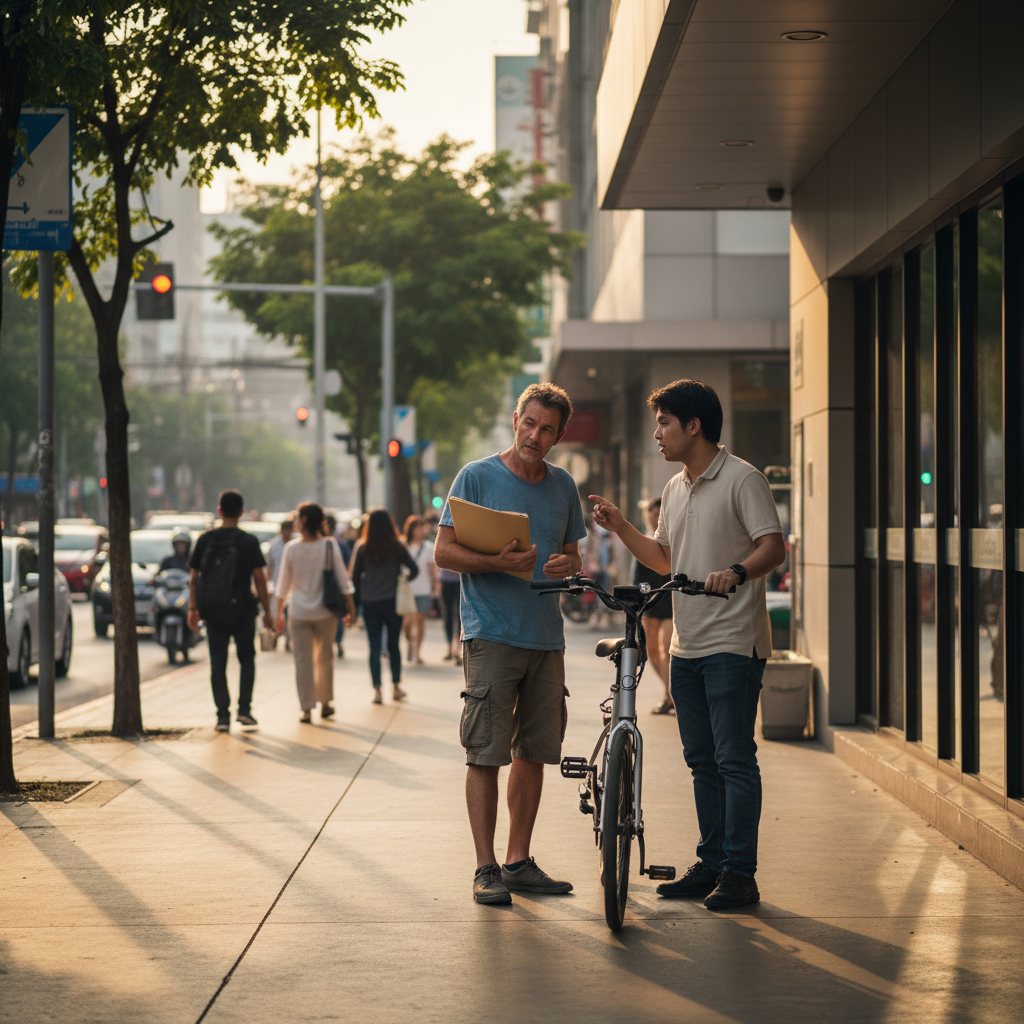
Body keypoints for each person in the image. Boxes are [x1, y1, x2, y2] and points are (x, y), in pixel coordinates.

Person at [589, 378, 785, 911]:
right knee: (701, 760)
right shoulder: (675, 489)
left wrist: (737, 571)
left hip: (733, 644)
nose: (657, 433)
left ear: (693, 425)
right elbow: (665, 561)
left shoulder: (743, 479)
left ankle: (741, 873)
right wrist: (622, 526)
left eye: (664, 422)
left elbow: (774, 546)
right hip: (686, 645)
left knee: (734, 760)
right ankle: (714, 862)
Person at [434, 382, 586, 906]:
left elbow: (573, 557)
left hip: (546, 637)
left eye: (547, 429)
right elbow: (444, 553)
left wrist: (571, 565)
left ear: (559, 436)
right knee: (485, 753)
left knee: (534, 753)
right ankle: (486, 867)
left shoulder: (563, 486)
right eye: (529, 423)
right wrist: (497, 563)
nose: (535, 435)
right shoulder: (476, 476)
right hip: (491, 633)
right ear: (515, 419)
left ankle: (518, 860)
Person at [188, 489, 273, 733]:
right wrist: (267, 611)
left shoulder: (206, 540)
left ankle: (222, 717)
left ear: (220, 511)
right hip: (243, 610)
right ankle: (244, 710)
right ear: (242, 512)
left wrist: (193, 608)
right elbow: (260, 578)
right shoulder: (248, 541)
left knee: (218, 663)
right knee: (247, 659)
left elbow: (193, 578)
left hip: (213, 611)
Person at [275, 502, 355, 723]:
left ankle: (306, 709)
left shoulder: (291, 548)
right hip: (325, 613)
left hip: (298, 612)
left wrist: (278, 614)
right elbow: (343, 579)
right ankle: (326, 703)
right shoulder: (329, 546)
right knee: (325, 657)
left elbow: (283, 586)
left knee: (302, 661)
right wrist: (351, 606)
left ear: (303, 521)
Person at [350, 509, 419, 704]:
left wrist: (355, 605)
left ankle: (377, 691)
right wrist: (402, 579)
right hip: (392, 602)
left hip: (370, 602)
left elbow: (355, 578)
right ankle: (396, 687)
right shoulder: (397, 546)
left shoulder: (362, 547)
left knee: (373, 646)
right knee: (393, 645)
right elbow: (414, 569)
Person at [633, 498, 674, 714]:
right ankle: (669, 693)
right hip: (649, 606)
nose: (655, 519)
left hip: (670, 603)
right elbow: (637, 578)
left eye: (659, 515)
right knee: (651, 652)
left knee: (666, 650)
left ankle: (670, 697)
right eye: (652, 515)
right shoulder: (644, 542)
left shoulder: (673, 542)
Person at [402, 514, 437, 665]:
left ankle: (417, 651)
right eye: (415, 528)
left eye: (419, 528)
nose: (418, 531)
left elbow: (432, 568)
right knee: (408, 622)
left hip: (423, 588)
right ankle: (410, 645)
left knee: (420, 620)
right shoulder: (404, 546)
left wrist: (435, 584)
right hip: (407, 589)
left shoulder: (428, 547)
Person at [266, 514, 295, 650]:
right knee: (276, 616)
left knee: (289, 616)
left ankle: (289, 642)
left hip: (293, 588)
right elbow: (269, 567)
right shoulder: (274, 545)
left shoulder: (296, 544)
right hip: (277, 586)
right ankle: (276, 638)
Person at [438, 564, 462, 664]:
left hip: (461, 581)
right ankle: (449, 647)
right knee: (448, 615)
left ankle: (458, 648)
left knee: (460, 615)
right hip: (446, 581)